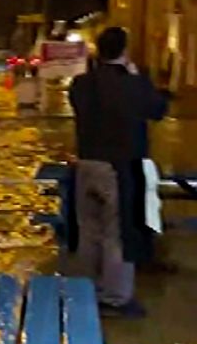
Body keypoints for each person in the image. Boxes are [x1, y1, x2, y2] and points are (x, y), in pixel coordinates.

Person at [68, 27, 168, 318]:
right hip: (119, 168)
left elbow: (81, 103)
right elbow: (158, 109)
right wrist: (135, 76)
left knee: (89, 232)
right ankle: (115, 298)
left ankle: (85, 290)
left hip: (86, 166)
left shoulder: (81, 84)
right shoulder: (134, 85)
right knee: (118, 234)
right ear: (124, 51)